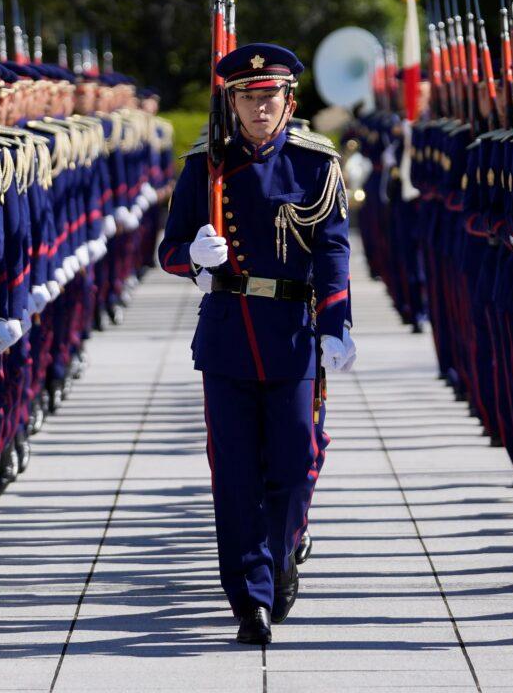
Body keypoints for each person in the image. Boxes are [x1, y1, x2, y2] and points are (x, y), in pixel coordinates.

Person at [158, 43, 355, 645]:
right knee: (236, 473)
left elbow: (333, 248)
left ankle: (283, 549)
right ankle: (252, 596)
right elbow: (168, 249)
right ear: (232, 101)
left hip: (292, 332)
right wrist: (192, 258)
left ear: (288, 100)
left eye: (269, 95)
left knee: (295, 465)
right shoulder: (205, 166)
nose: (260, 106)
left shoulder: (315, 163)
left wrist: (337, 324)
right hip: (228, 336)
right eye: (248, 96)